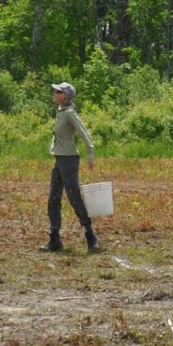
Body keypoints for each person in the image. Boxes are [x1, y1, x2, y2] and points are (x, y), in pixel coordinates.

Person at [41, 82, 100, 254]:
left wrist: (90, 154)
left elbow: (84, 134)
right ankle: (54, 239)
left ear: (65, 96)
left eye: (58, 91)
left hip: (69, 161)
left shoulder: (70, 113)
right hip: (59, 160)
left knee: (74, 197)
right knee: (53, 198)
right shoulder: (60, 112)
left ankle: (91, 236)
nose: (54, 92)